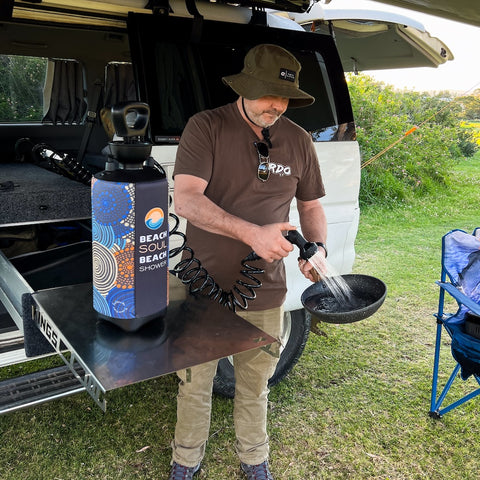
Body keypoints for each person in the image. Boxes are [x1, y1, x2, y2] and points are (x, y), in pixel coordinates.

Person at [169, 43, 328, 480]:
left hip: (265, 288)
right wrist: (251, 233)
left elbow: (311, 205)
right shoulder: (207, 126)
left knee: (256, 383)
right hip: (203, 281)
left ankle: (254, 460)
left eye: (284, 98)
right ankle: (186, 461)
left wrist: (317, 249)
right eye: (266, 94)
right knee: (194, 382)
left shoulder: (298, 140)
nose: (276, 105)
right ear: (244, 87)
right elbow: (186, 199)